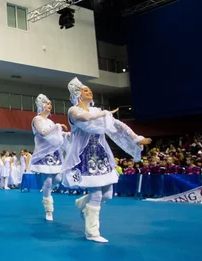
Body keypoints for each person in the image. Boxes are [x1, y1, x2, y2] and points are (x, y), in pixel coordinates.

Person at [61, 78, 151, 243]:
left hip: (102, 154)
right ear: (78, 95)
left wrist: (136, 138)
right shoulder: (73, 111)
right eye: (85, 90)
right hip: (85, 156)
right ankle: (92, 232)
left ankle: (82, 203)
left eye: (89, 90)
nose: (89, 92)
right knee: (96, 194)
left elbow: (118, 125)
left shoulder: (96, 110)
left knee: (108, 194)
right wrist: (104, 114)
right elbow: (85, 119)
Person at [29, 94, 71, 221]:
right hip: (44, 154)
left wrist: (66, 135)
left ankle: (46, 191)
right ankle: (49, 209)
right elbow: (43, 132)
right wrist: (57, 126)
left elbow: (56, 135)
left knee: (58, 179)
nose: (50, 106)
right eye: (47, 104)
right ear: (41, 105)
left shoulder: (50, 122)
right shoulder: (37, 119)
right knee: (47, 180)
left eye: (50, 104)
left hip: (55, 154)